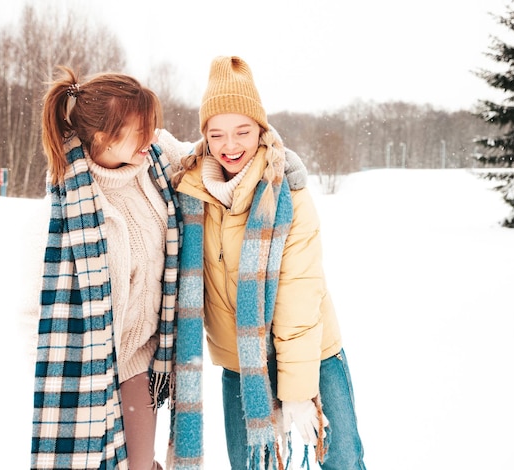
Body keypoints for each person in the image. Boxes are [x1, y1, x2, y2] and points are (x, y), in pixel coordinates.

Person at [168, 56, 366, 470]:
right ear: (204, 136)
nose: (230, 145)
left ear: (261, 129)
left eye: (243, 130)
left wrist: (297, 389)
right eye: (217, 133)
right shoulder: (189, 194)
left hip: (313, 354)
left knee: (342, 462)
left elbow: (298, 292)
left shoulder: (288, 196)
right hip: (240, 366)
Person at [30, 65, 192, 470]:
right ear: (101, 136)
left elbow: (216, 156)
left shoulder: (156, 159)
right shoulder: (73, 203)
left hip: (141, 358)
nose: (151, 136)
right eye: (140, 129)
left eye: (153, 126)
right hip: (93, 364)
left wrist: (279, 157)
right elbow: (43, 302)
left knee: (139, 464)